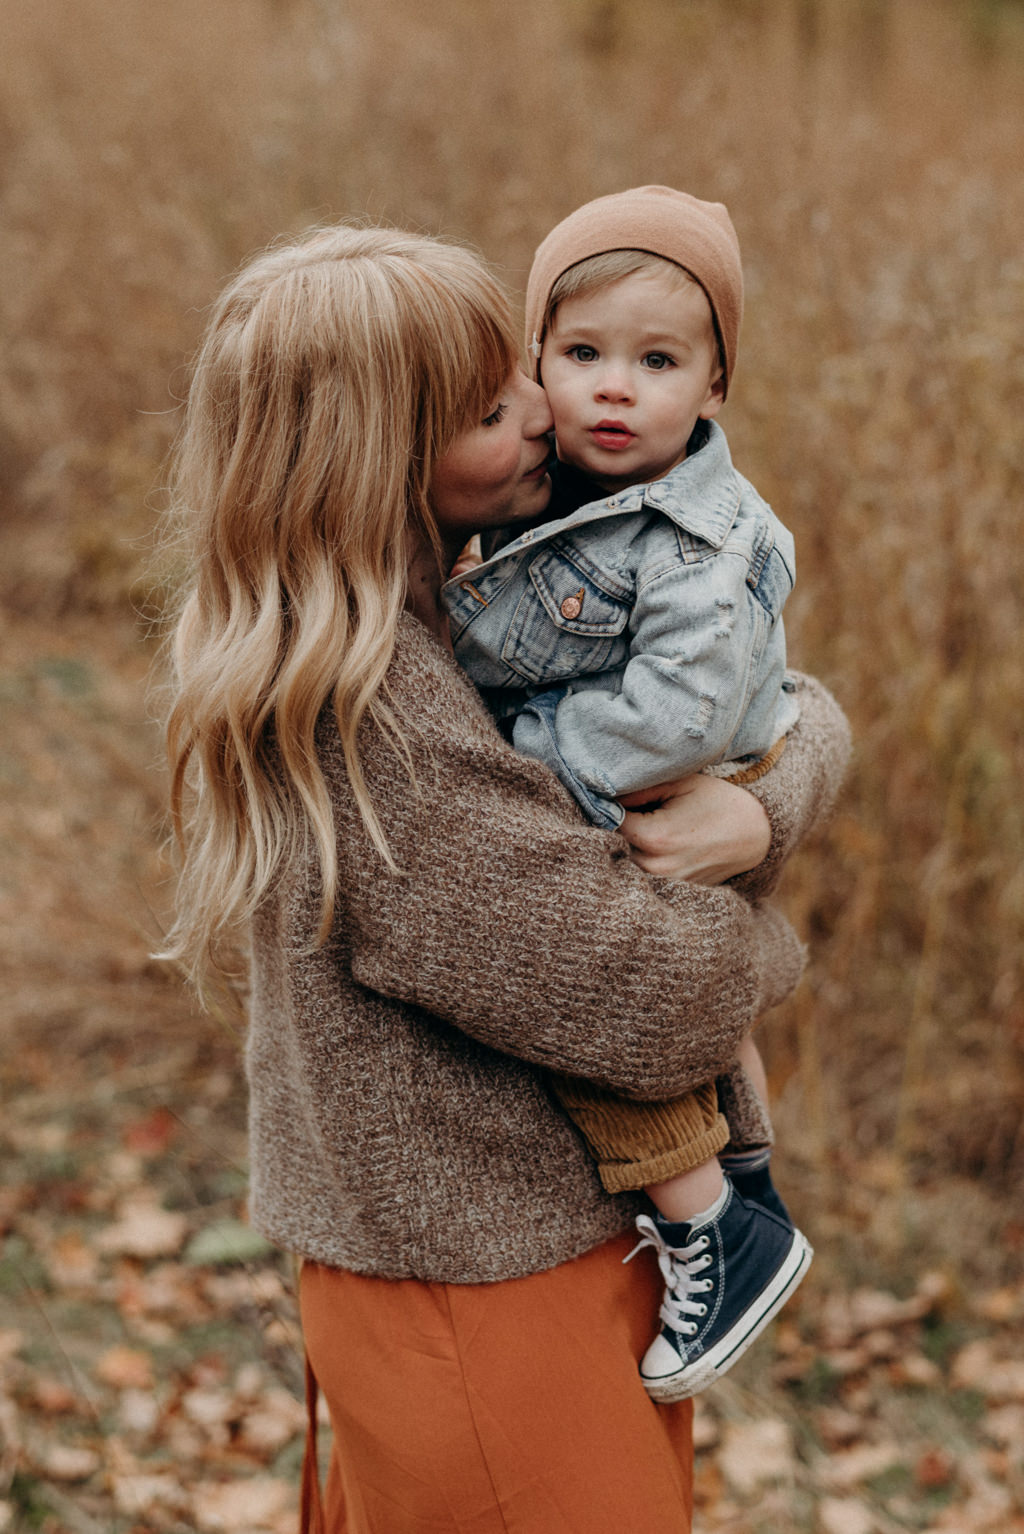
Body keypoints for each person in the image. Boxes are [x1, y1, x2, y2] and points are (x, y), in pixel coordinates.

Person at [161, 221, 850, 1532]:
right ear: (379, 463)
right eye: (494, 403)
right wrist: (769, 940)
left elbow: (787, 699)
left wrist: (758, 813)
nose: (549, 405)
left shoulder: (425, 607)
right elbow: (652, 989)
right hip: (480, 1297)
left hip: (502, 1263)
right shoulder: (383, 724)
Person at [443, 185, 811, 1401]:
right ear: (534, 359)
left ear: (713, 388)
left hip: (640, 774)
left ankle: (719, 1225)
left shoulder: (693, 538)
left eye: (657, 362)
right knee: (669, 1001)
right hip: (641, 776)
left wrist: (530, 747)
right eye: (582, 353)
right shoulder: (559, 493)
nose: (613, 388)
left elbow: (681, 715)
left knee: (596, 1002)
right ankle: (742, 1180)